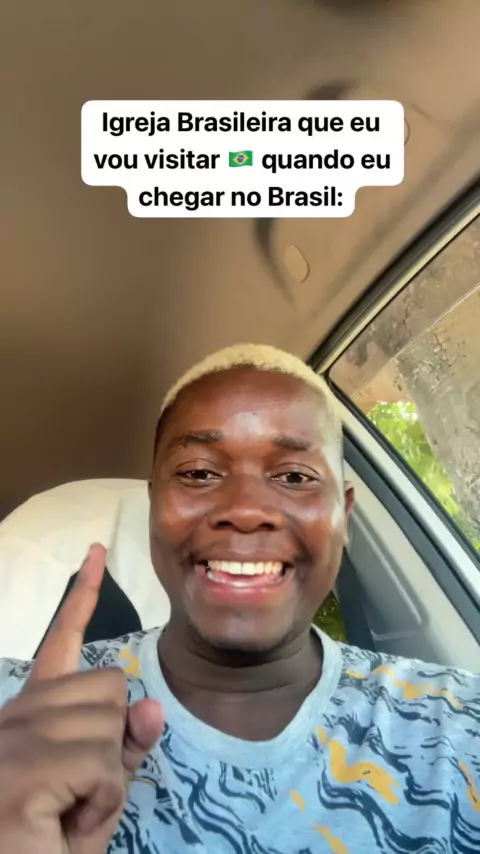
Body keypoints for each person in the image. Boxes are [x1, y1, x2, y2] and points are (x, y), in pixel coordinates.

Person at [0, 343, 478, 854]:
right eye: (198, 473)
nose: (247, 510)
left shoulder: (456, 726)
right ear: (153, 504)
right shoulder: (17, 716)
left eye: (294, 477)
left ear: (344, 515)